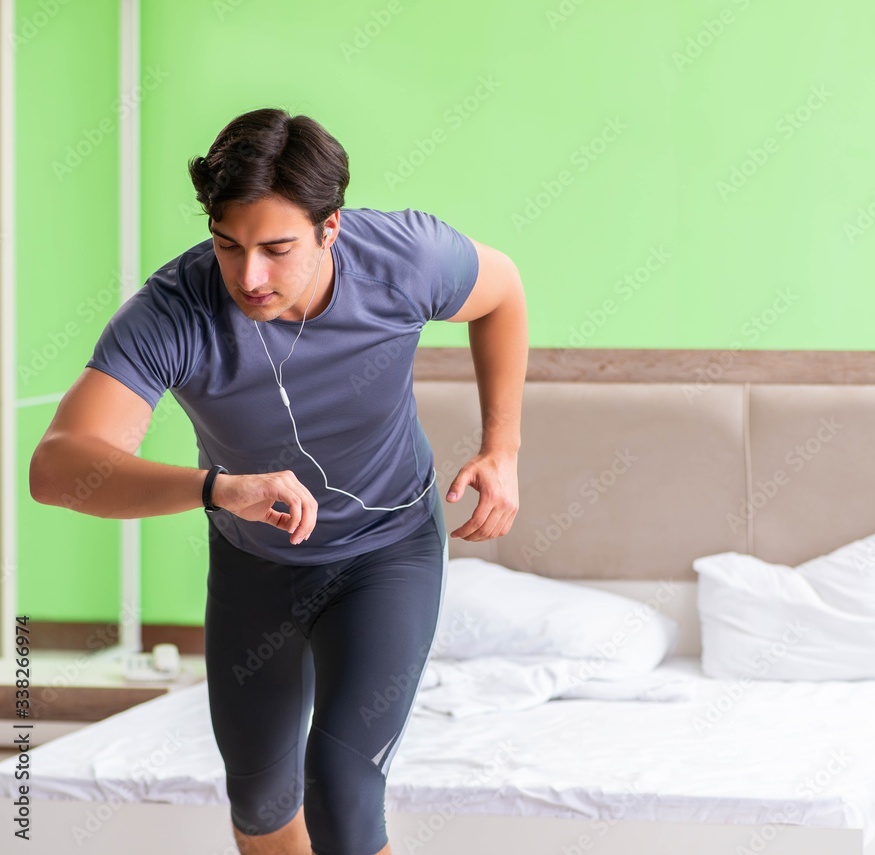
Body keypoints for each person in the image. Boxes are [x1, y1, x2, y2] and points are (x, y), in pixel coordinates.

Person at [28, 107, 528, 855]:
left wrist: (503, 448)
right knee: (261, 805)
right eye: (228, 245)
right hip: (256, 564)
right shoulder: (174, 312)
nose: (250, 276)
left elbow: (503, 292)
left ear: (332, 228)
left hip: (387, 550)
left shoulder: (404, 259)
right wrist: (216, 488)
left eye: (277, 247)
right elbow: (59, 468)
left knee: (342, 793)